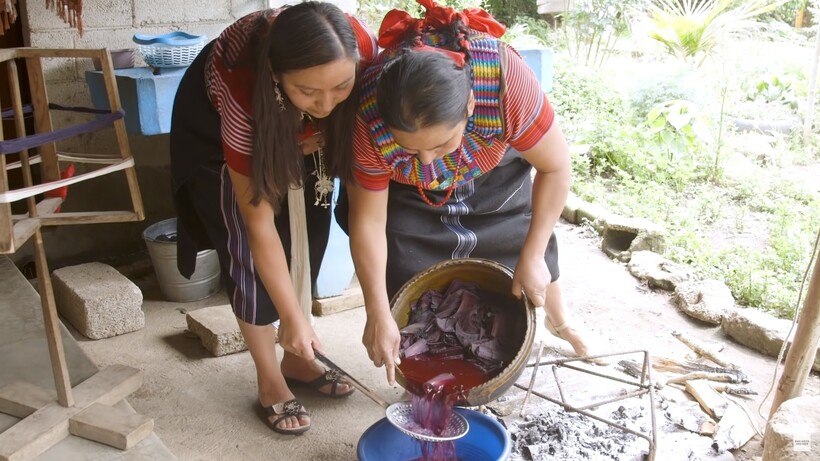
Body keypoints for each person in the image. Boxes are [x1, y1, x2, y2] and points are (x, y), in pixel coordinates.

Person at [342, 0, 599, 385]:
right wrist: (376, 310)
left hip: (492, 167)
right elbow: (368, 219)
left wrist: (530, 254)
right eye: (412, 149)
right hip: (407, 191)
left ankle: (557, 318)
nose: (428, 161)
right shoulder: (368, 114)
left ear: (471, 105)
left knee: (527, 241)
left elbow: (556, 166)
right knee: (403, 256)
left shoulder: (504, 82)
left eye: (440, 144)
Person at [169, 2, 376, 435]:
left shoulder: (362, 48)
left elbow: (365, 194)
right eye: (309, 92)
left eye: (341, 87)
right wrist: (292, 319)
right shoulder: (242, 87)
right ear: (279, 77)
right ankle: (270, 379)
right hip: (218, 139)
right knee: (246, 253)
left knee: (312, 231)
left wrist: (310, 119)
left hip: (289, 127)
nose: (326, 104)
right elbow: (258, 224)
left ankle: (300, 362)